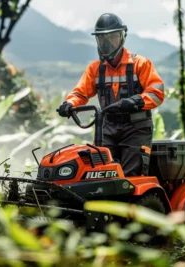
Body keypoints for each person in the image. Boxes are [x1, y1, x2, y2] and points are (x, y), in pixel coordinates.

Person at [57, 13, 165, 177]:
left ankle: (135, 202)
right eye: (102, 38)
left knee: (130, 177)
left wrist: (136, 102)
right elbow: (80, 93)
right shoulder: (95, 69)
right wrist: (70, 104)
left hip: (135, 129)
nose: (107, 43)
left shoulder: (140, 64)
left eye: (112, 37)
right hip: (107, 128)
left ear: (122, 37)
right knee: (99, 173)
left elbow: (157, 93)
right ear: (97, 41)